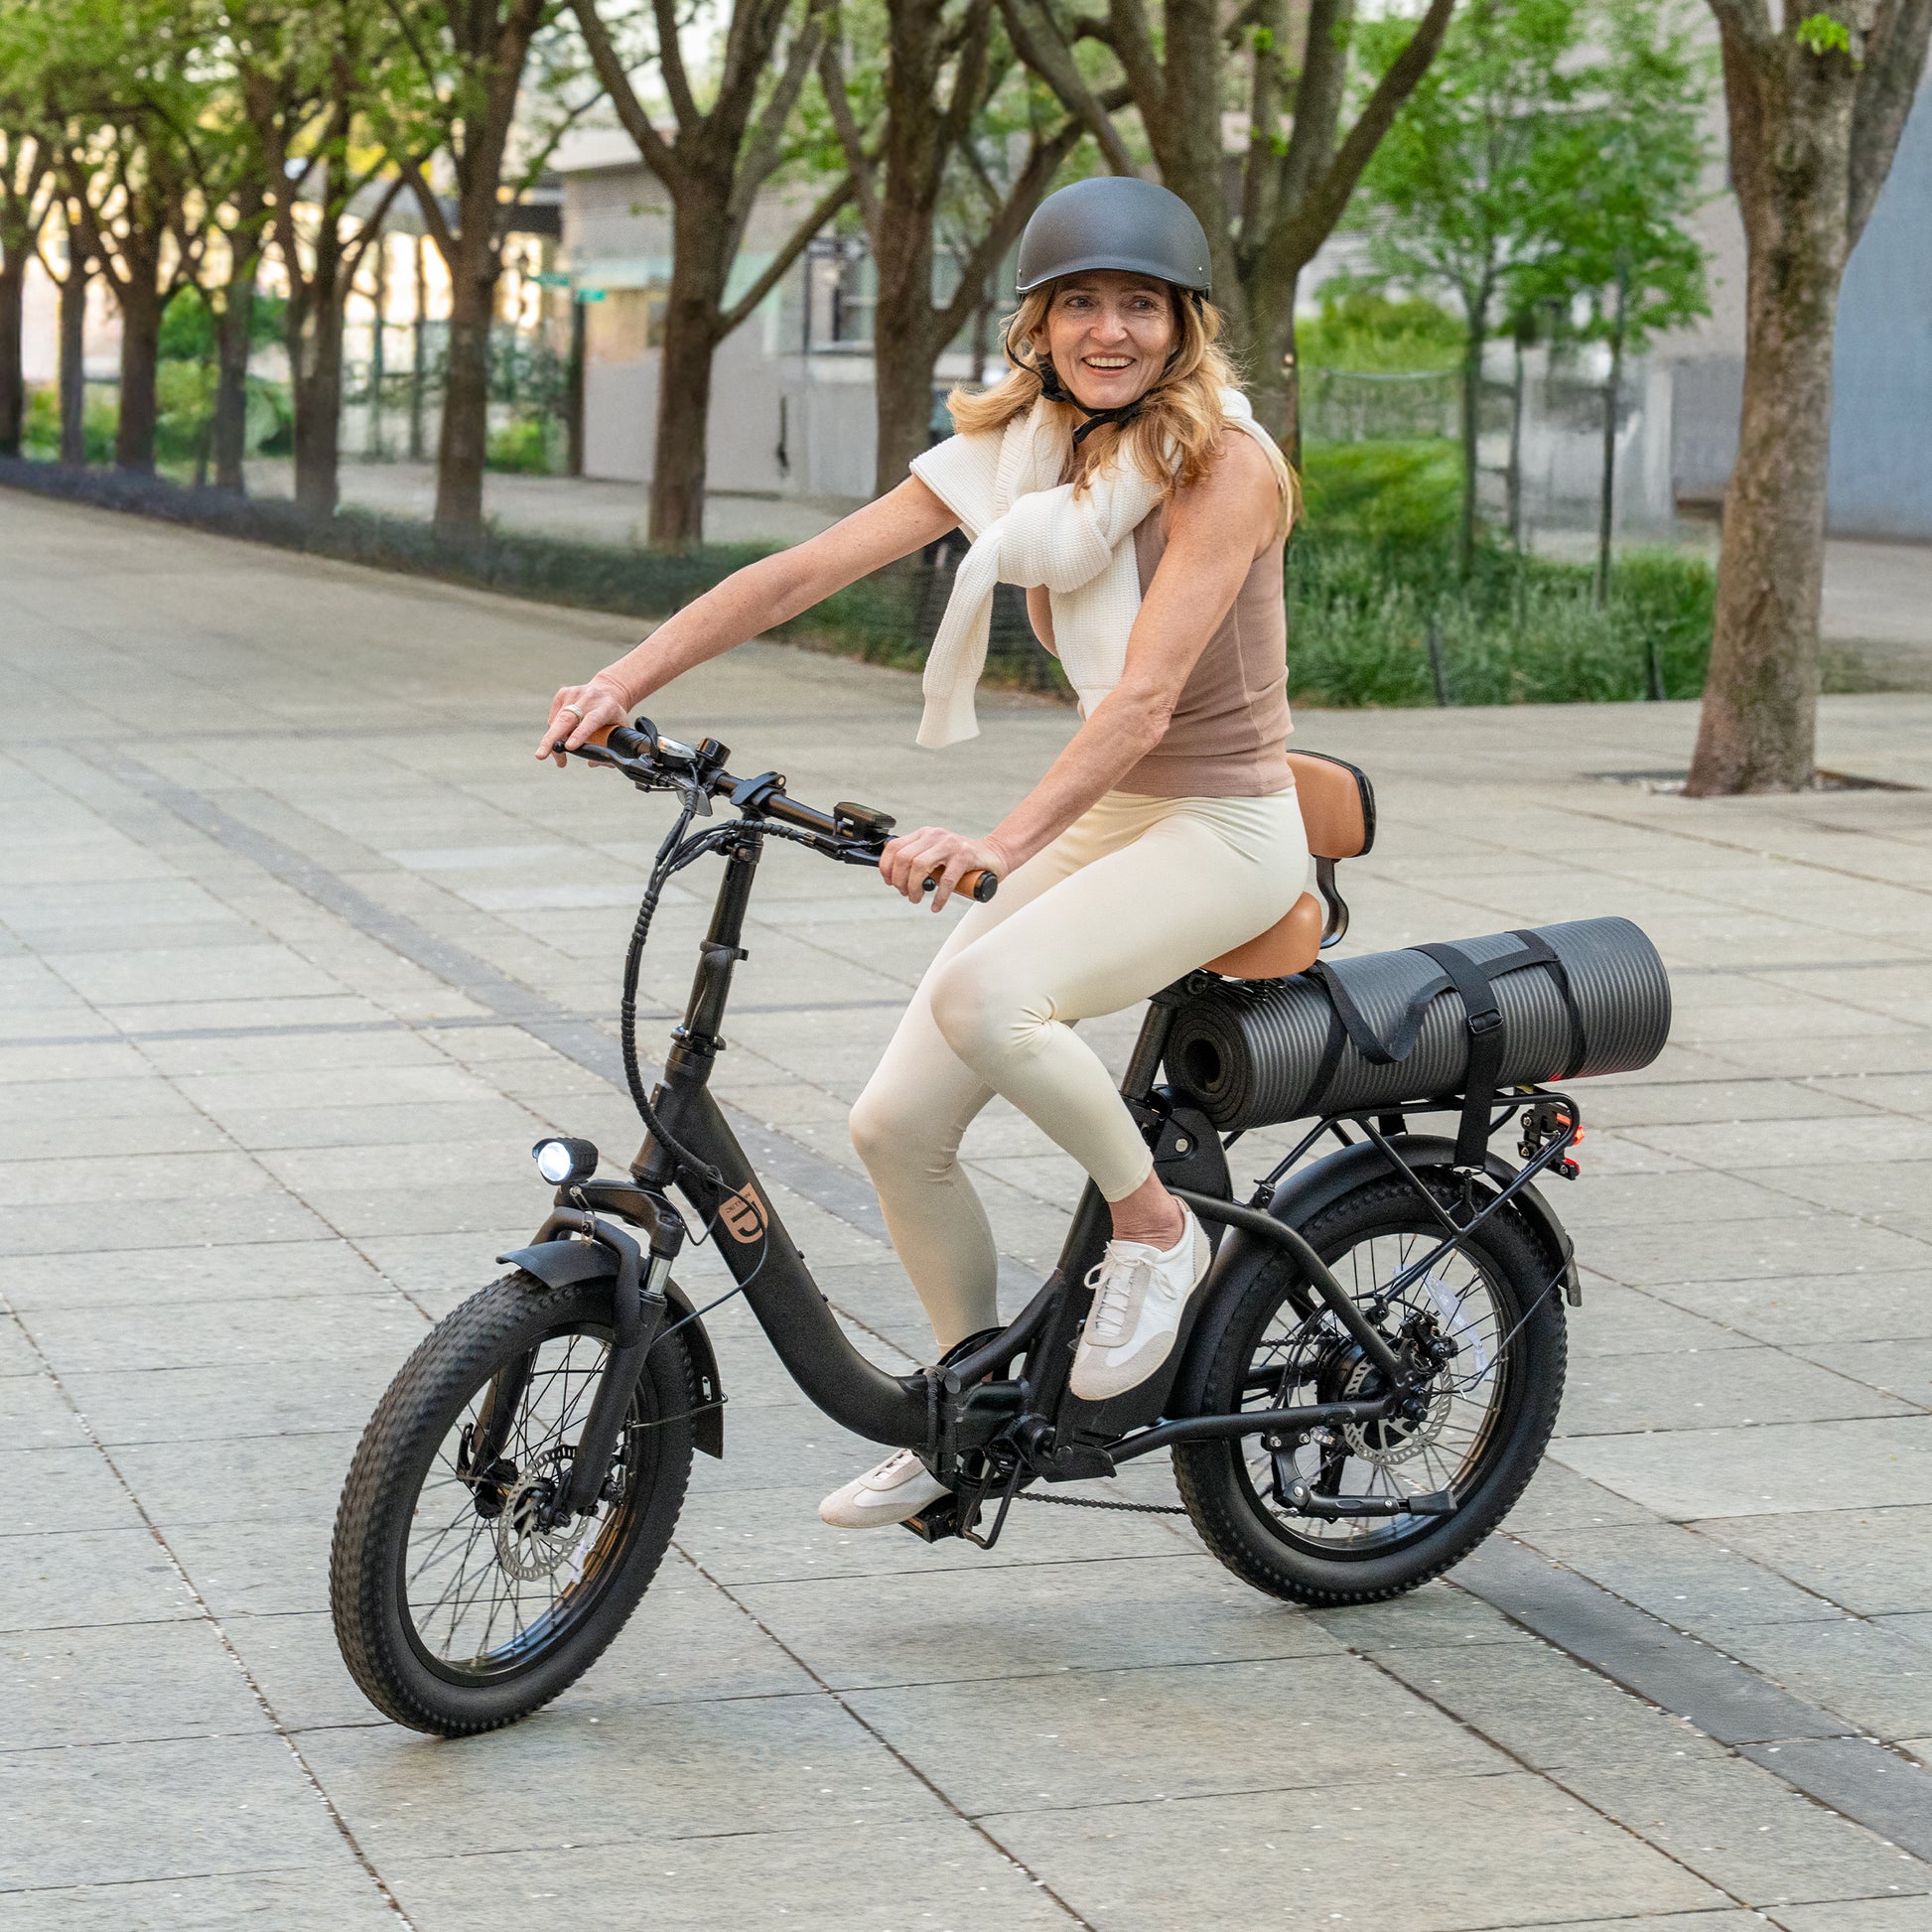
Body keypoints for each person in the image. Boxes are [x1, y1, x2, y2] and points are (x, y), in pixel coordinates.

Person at [537, 178, 1309, 1531]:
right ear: (1041, 322)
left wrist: (998, 846)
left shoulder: (1223, 462)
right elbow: (801, 571)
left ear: (1183, 323)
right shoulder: (1029, 445)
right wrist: (622, 678)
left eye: (1139, 305)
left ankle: (1152, 1227)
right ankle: (971, 1408)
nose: (1109, 330)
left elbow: (1139, 699)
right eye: (1082, 303)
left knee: (985, 995)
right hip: (1119, 816)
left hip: (1225, 825)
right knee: (893, 1124)